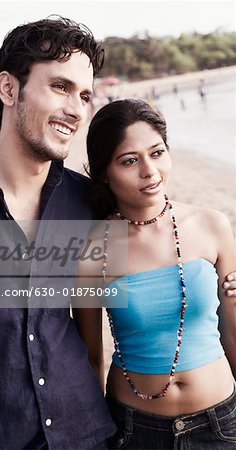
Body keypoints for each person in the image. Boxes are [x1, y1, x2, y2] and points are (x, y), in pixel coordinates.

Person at [0, 17, 116, 449]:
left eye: (85, 94)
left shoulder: (87, 203)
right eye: (60, 87)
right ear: (9, 89)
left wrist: (213, 268)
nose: (76, 109)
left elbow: (152, 248)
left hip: (85, 434)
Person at [73, 99, 236, 449]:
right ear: (104, 171)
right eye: (130, 161)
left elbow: (234, 333)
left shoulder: (211, 225)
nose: (150, 171)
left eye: (157, 152)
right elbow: (91, 357)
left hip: (220, 425)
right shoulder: (94, 248)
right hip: (135, 429)